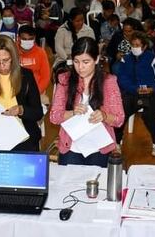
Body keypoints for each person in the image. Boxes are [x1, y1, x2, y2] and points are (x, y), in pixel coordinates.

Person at [49, 37, 124, 166]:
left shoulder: (108, 81)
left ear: (96, 59)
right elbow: (54, 117)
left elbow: (119, 119)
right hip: (71, 146)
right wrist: (72, 113)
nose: (80, 67)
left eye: (86, 62)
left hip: (100, 147)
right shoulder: (64, 80)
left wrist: (104, 116)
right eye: (76, 62)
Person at [116, 32, 155, 155]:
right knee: (121, 111)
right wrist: (134, 89)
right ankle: (117, 142)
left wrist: (152, 89)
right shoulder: (126, 59)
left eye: (137, 45)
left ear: (144, 46)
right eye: (133, 45)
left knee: (148, 114)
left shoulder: (154, 59)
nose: (135, 47)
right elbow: (122, 79)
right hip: (134, 92)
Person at [16, 25, 51, 103]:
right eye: (24, 39)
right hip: (15, 91)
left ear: (34, 38)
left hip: (37, 91)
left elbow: (46, 76)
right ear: (18, 38)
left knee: (45, 103)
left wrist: (35, 92)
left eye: (30, 39)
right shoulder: (12, 51)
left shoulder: (41, 53)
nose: (27, 41)